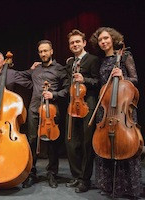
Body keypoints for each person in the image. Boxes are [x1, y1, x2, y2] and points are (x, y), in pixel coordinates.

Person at [89, 27, 142, 198]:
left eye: (106, 38)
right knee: (105, 146)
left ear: (113, 39)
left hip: (122, 107)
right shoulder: (101, 60)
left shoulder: (125, 56)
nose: (103, 42)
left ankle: (128, 188)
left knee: (125, 146)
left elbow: (135, 79)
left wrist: (122, 76)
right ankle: (108, 185)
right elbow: (100, 83)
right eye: (100, 40)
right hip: (106, 109)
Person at [21, 40, 69, 188]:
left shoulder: (60, 69)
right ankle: (31, 173)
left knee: (52, 142)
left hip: (51, 111)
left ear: (51, 51)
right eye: (41, 51)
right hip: (34, 109)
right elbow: (19, 76)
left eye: (45, 51)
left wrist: (54, 94)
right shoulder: (35, 69)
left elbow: (67, 90)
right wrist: (31, 78)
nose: (43, 54)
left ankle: (52, 174)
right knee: (32, 140)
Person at [64, 29, 100, 193]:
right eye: (72, 42)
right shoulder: (70, 62)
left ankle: (85, 180)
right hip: (72, 105)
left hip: (88, 104)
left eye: (77, 41)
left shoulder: (93, 59)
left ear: (84, 43)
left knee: (86, 143)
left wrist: (84, 79)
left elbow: (98, 81)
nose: (75, 44)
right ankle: (76, 176)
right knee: (71, 142)